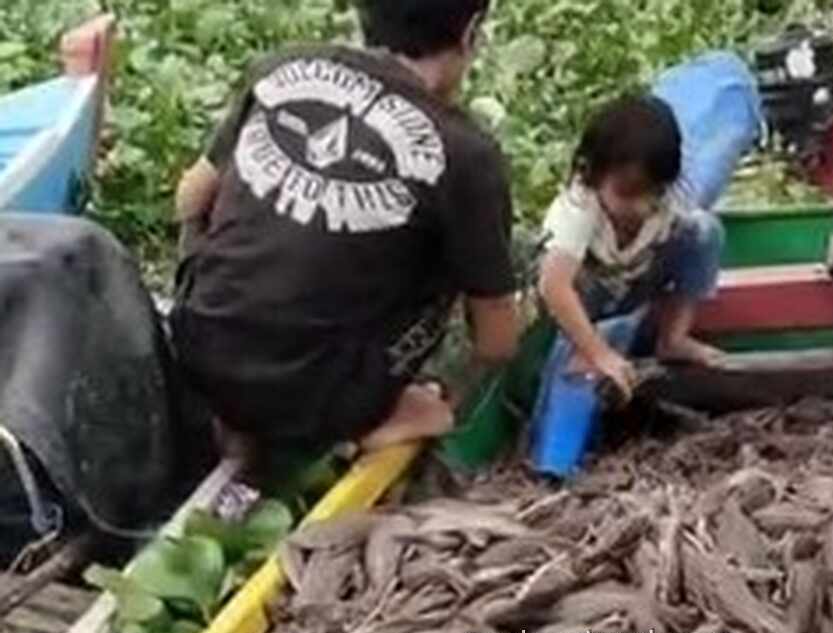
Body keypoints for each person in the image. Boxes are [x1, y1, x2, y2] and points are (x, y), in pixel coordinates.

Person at [170, 0, 520, 461]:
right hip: (315, 400)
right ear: (471, 31)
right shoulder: (468, 155)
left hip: (196, 343)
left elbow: (191, 198)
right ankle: (379, 415)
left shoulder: (286, 66)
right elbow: (497, 341)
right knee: (460, 261)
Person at [537, 95, 725, 403]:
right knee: (570, 297)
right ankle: (581, 346)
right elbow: (554, 286)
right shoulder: (578, 208)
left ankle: (673, 338)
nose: (641, 206)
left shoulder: (663, 207)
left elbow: (691, 249)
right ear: (594, 174)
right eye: (628, 193)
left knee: (704, 230)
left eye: (654, 192)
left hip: (634, 288)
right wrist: (597, 352)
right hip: (586, 303)